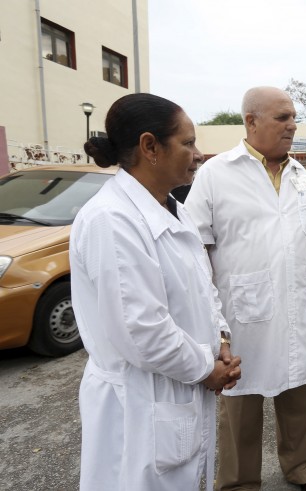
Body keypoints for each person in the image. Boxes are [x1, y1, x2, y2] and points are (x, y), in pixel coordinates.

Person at [71, 93, 242, 490]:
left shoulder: (172, 209)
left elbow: (203, 286)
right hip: (138, 402)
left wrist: (220, 339)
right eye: (187, 142)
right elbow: (142, 332)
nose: (198, 154)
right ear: (150, 147)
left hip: (175, 387)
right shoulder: (111, 220)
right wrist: (207, 369)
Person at [185, 86, 306, 491]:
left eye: (293, 117)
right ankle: (238, 482)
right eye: (282, 118)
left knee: (301, 394)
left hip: (297, 307)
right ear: (251, 122)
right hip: (240, 314)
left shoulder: (302, 175)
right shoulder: (217, 174)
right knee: (240, 406)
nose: (292, 125)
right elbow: (196, 247)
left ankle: (304, 467)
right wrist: (206, 316)